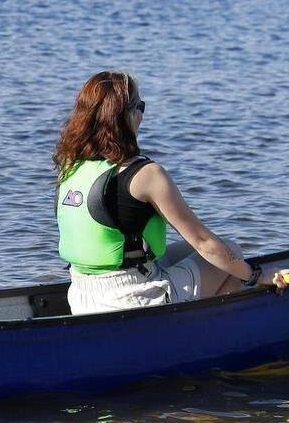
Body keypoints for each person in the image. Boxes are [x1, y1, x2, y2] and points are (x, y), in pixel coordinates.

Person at [53, 71, 287, 314]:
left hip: (81, 296)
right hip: (132, 297)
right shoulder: (146, 174)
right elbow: (204, 242)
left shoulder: (71, 165)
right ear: (127, 116)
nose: (142, 115)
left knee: (209, 254)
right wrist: (257, 275)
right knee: (230, 256)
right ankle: (203, 339)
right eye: (140, 106)